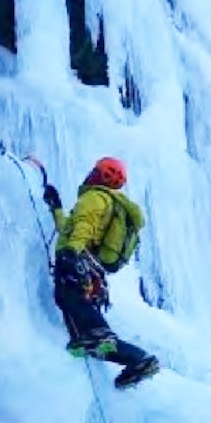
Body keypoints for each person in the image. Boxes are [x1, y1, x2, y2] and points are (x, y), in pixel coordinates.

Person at [43, 156, 160, 388]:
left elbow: (83, 227)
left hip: (78, 261)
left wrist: (71, 254)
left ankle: (138, 357)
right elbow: (69, 228)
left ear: (99, 174)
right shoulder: (109, 202)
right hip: (92, 271)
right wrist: (55, 207)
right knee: (84, 334)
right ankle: (119, 355)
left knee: (77, 309)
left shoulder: (94, 197)